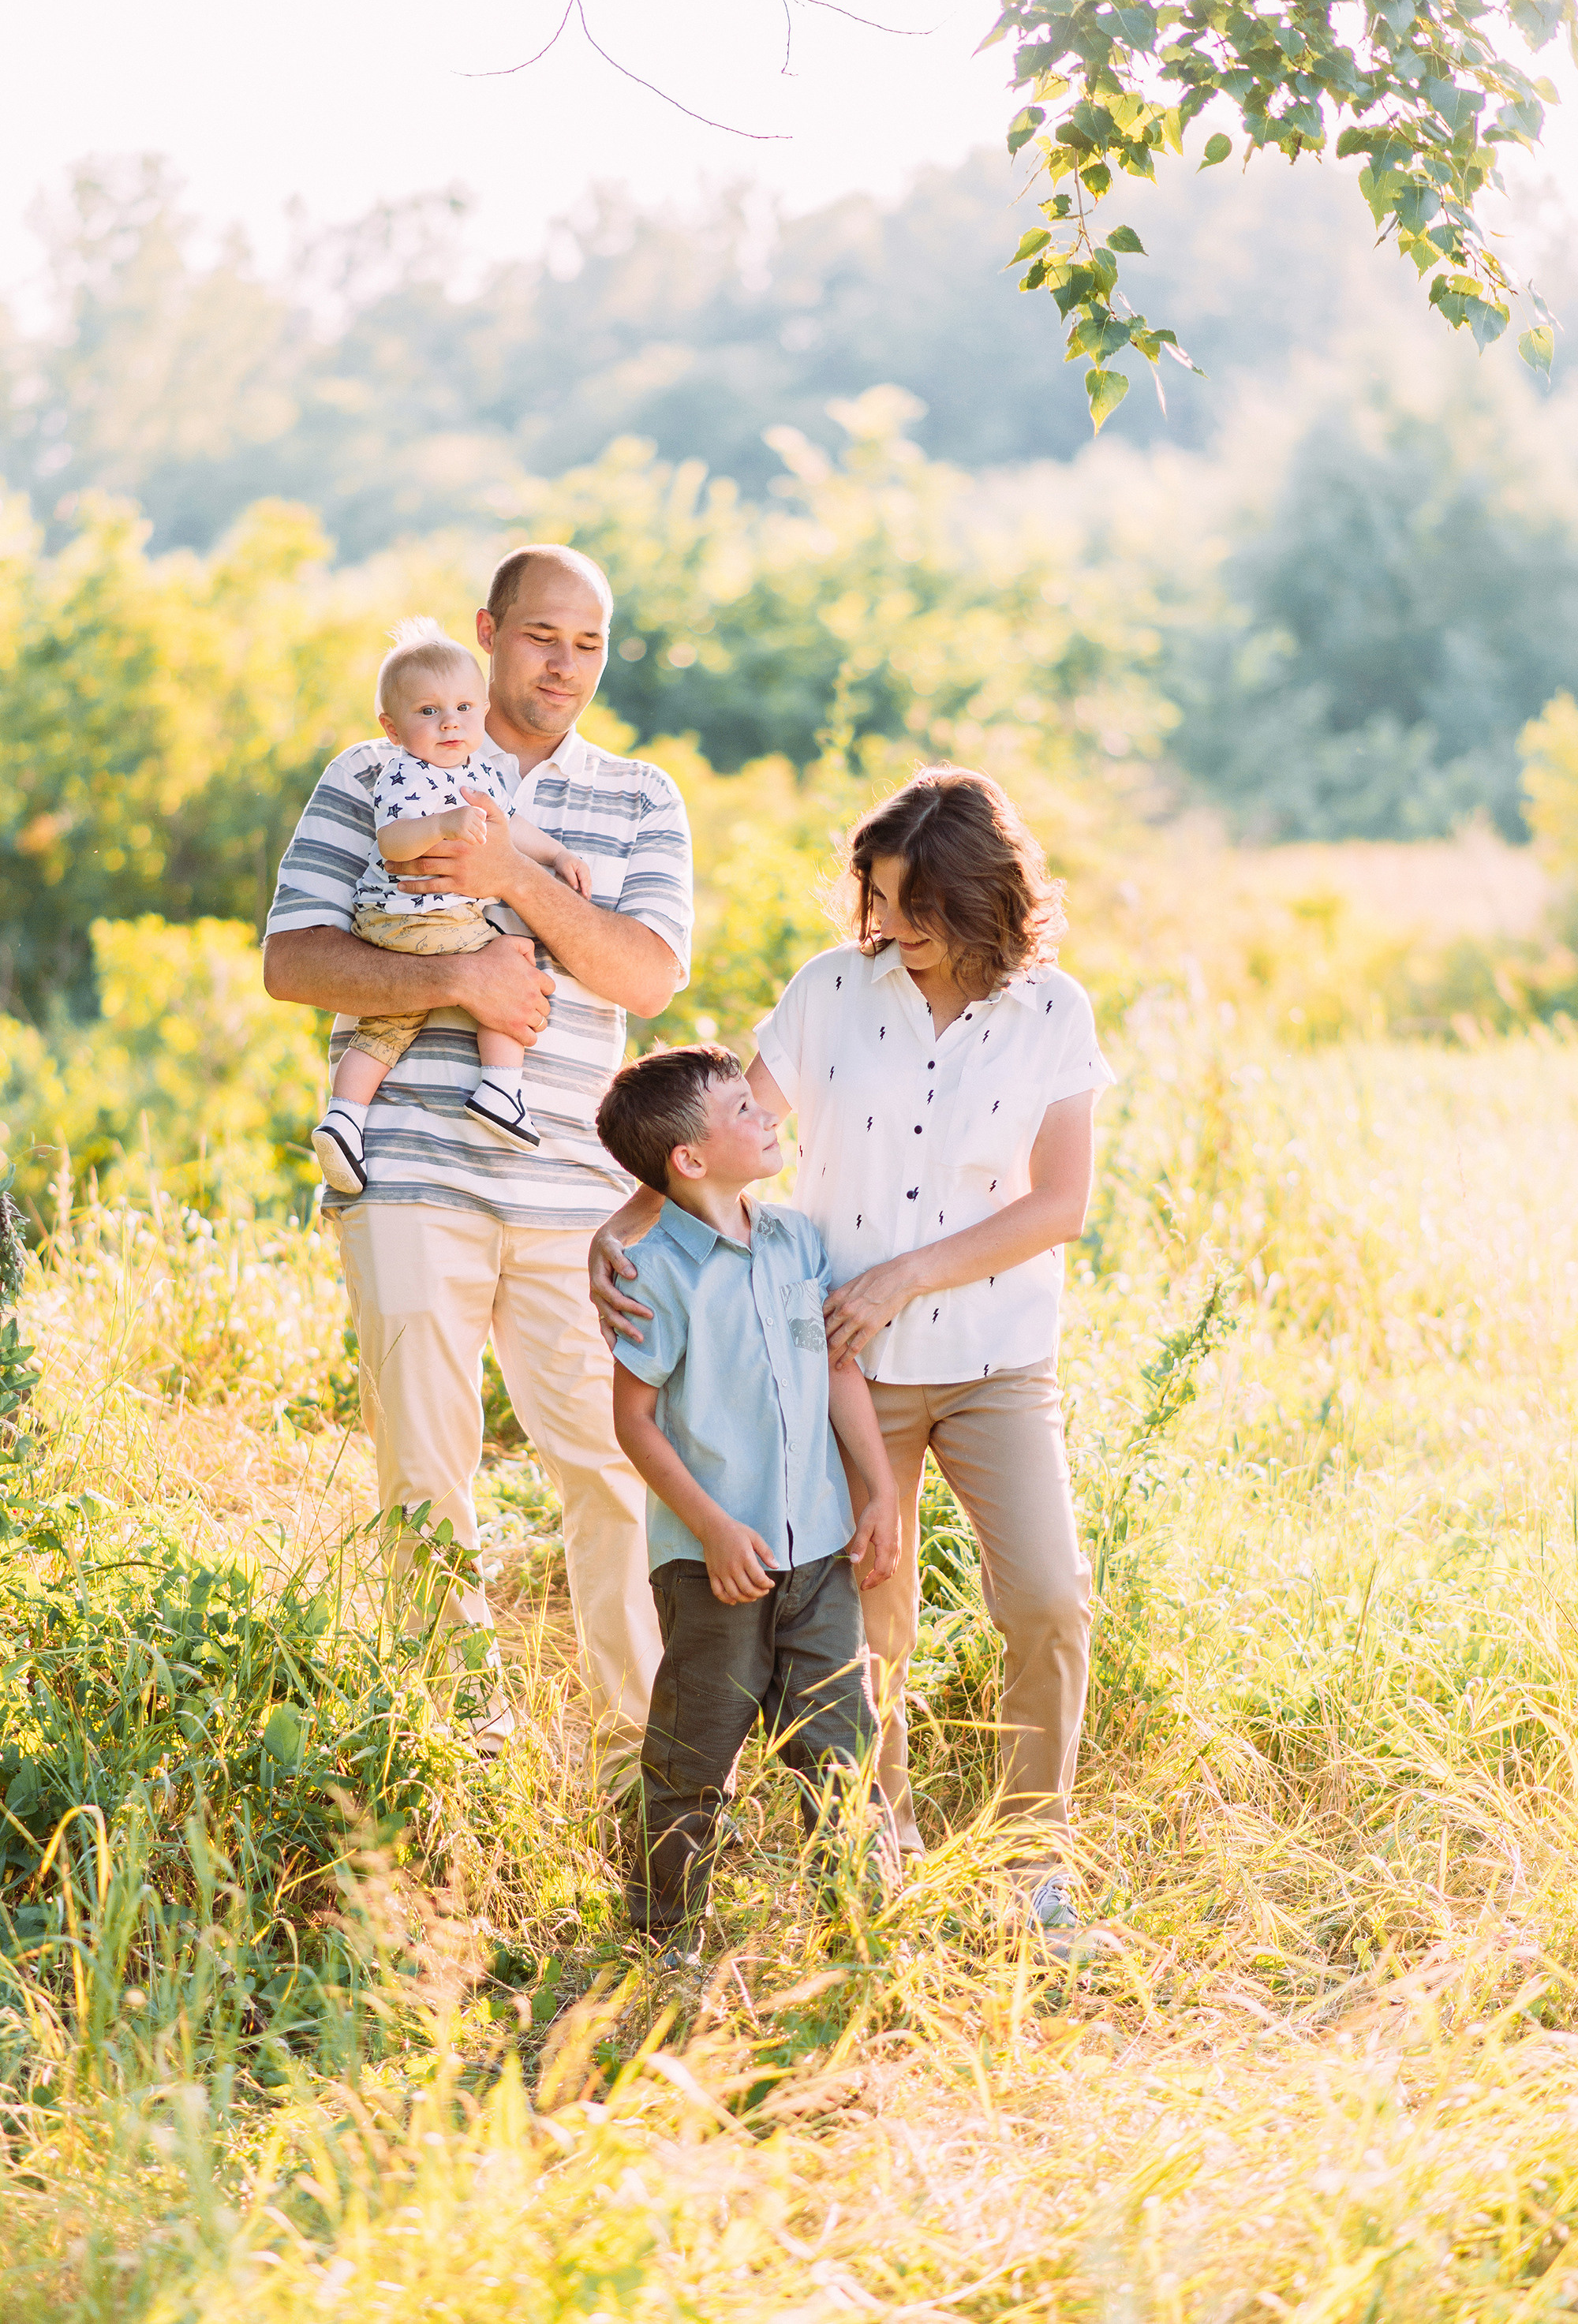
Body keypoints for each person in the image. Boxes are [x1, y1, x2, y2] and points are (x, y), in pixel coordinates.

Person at [592, 766, 1112, 1936]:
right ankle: (881, 1844)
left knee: (1046, 1598)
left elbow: (1059, 1205)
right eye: (875, 897)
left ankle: (1035, 1861)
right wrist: (616, 1234)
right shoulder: (830, 990)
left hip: (993, 1356)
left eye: (914, 905)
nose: (888, 925)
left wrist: (904, 1276)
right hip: (841, 1366)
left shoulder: (1054, 1012)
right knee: (874, 1619)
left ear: (980, 896)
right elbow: (710, 1140)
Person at [264, 543, 691, 1774]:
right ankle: (454, 1753)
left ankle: (644, 1765)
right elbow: (292, 959)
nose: (564, 665)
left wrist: (509, 873)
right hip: (407, 1171)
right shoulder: (374, 769)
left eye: (588, 645)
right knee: (424, 1470)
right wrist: (458, 975)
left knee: (615, 1466)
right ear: (490, 631)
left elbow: (649, 976)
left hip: (575, 1193)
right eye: (543, 636)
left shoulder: (641, 796)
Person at [594, 1044, 899, 1954]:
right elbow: (633, 1422)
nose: (765, 1115)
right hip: (711, 1567)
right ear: (689, 1159)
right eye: (740, 1109)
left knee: (841, 1747)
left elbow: (835, 1368)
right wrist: (713, 1529)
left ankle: (859, 1938)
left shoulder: (796, 1242)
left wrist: (878, 1488)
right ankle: (662, 1941)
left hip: (819, 1554)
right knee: (692, 1758)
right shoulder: (654, 1272)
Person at [311, 617, 593, 1194]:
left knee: (388, 1025)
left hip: (422, 923)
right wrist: (443, 824)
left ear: (483, 709)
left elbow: (511, 825)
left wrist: (558, 853)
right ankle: (501, 1088)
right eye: (429, 711)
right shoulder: (403, 772)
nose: (449, 722)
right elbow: (394, 842)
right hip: (414, 915)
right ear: (392, 727)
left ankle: (343, 1118)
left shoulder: (477, 771)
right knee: (511, 965)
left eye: (464, 708)